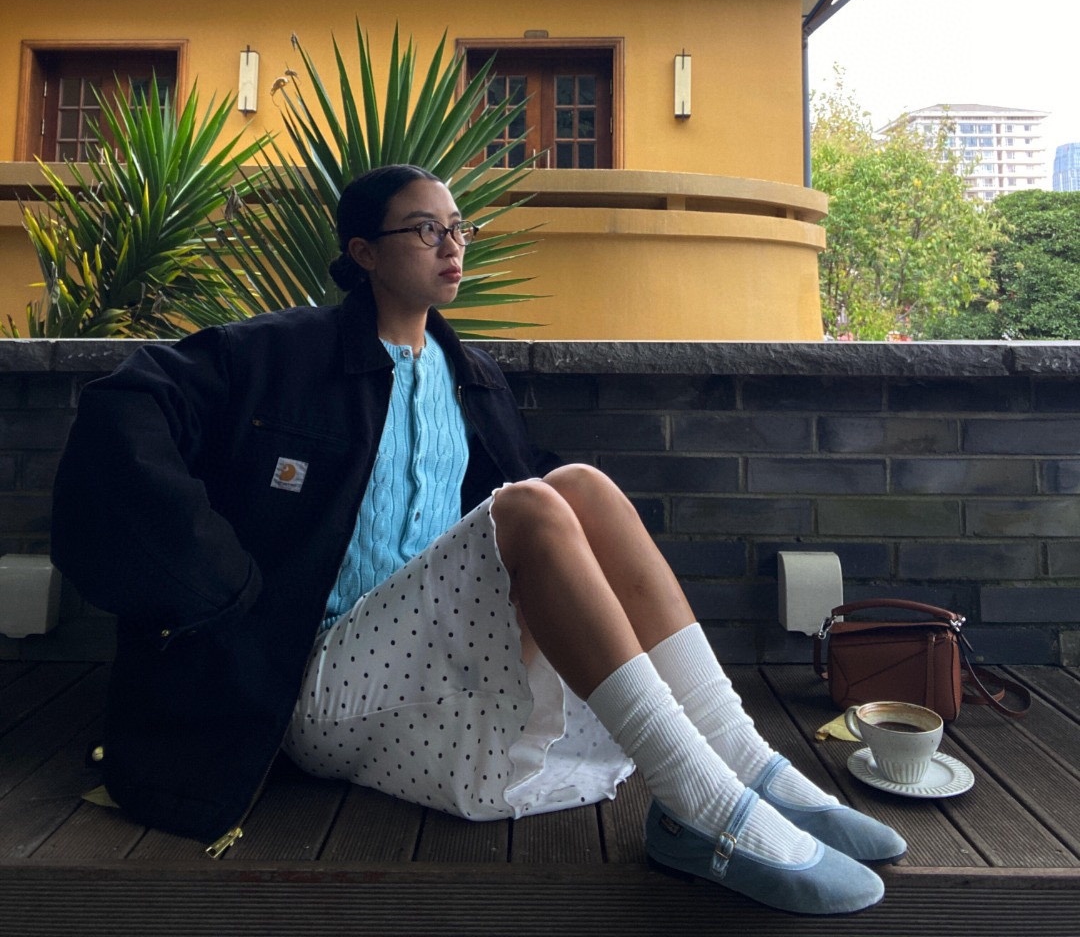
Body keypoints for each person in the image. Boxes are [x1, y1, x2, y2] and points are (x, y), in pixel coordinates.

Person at [52, 164, 902, 913]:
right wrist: (220, 584)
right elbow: (123, 405)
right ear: (364, 253)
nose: (451, 244)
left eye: (458, 228)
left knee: (579, 486)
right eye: (425, 229)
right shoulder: (280, 354)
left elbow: (540, 534)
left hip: (428, 663)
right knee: (531, 505)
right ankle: (701, 804)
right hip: (306, 680)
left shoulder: (467, 378)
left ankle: (742, 762)